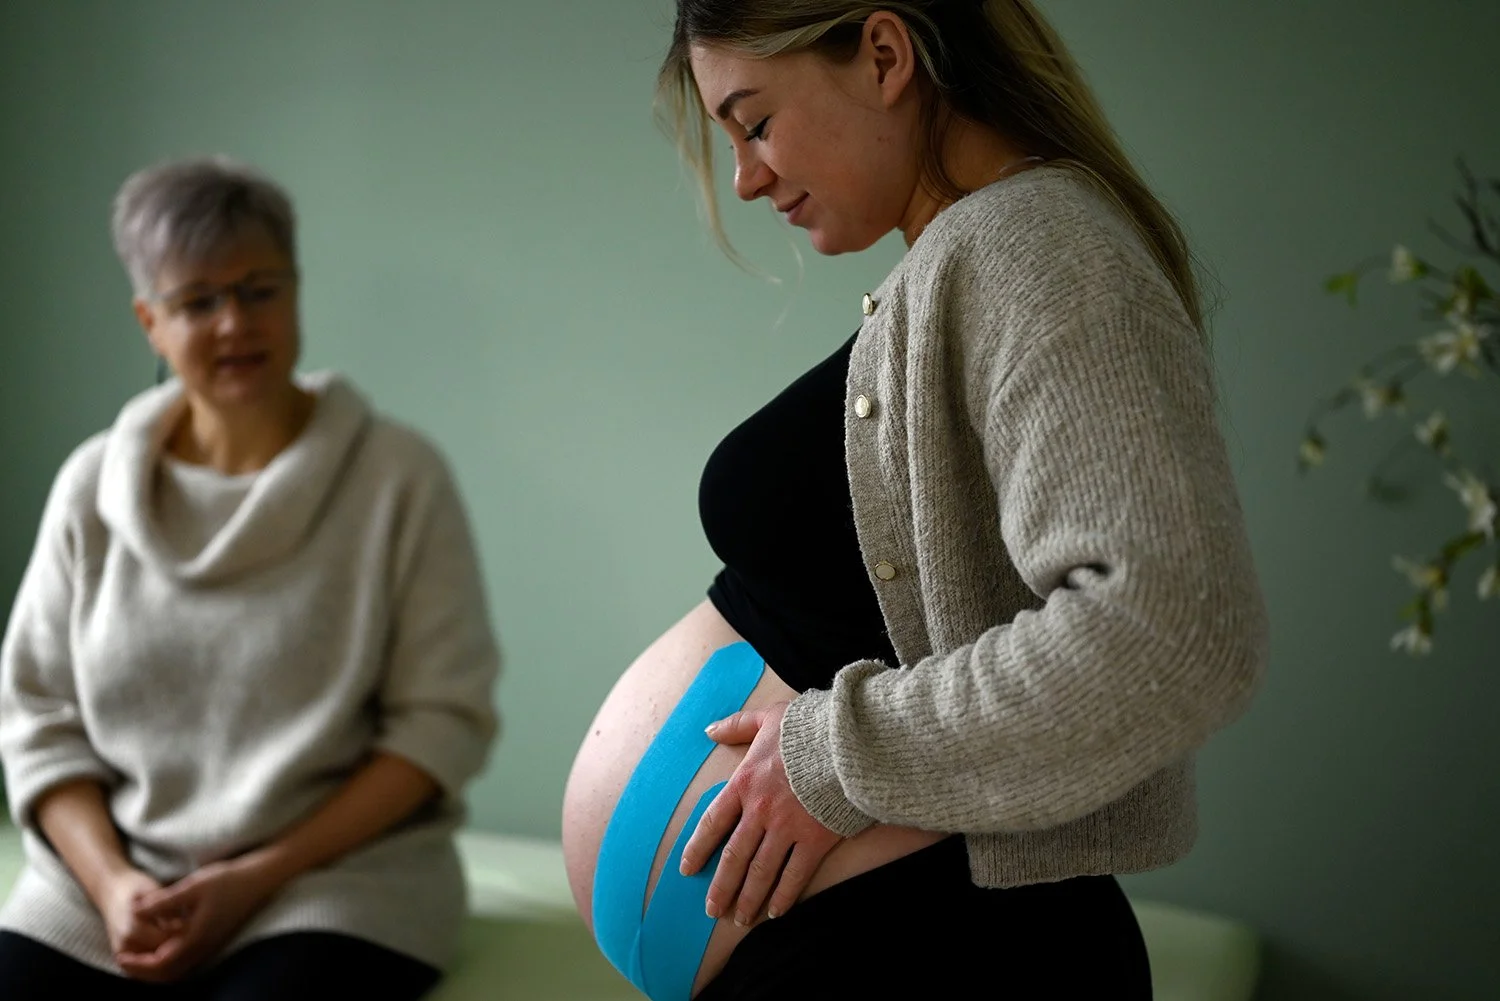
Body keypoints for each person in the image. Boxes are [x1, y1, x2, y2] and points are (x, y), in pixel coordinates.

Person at [562, 1, 1269, 998]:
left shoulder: (1041, 249)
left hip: (948, 950)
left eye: (755, 122)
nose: (748, 178)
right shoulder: (969, 258)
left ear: (885, 53)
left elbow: (1175, 623)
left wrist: (832, 758)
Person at [0, 156, 501, 999]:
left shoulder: (397, 477)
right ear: (149, 321)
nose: (235, 322)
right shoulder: (91, 486)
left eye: (260, 289)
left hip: (334, 885)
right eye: (199, 301)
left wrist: (255, 877)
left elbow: (439, 724)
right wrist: (114, 885)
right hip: (111, 887)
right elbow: (38, 721)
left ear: (296, 291)